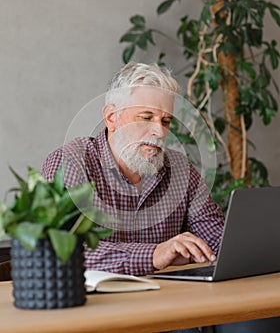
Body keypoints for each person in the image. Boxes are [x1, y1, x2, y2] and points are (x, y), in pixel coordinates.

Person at [41, 62, 279, 333]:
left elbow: (216, 239)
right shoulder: (70, 163)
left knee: (259, 321)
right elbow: (64, 251)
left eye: (166, 121)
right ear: (111, 117)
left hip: (179, 301)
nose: (159, 131)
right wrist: (154, 254)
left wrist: (246, 248)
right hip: (104, 311)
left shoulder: (179, 168)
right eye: (146, 117)